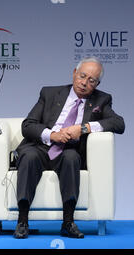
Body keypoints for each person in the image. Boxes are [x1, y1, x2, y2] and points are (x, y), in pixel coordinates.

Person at [13, 57, 125, 239]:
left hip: (69, 150)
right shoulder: (49, 93)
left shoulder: (102, 100)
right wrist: (52, 134)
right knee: (29, 156)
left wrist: (84, 128)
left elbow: (119, 124)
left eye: (92, 80)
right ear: (74, 73)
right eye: (82, 76)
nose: (84, 83)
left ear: (97, 84)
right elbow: (28, 125)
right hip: (42, 146)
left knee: (71, 158)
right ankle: (22, 221)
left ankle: (68, 222)